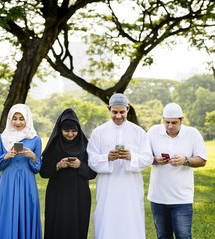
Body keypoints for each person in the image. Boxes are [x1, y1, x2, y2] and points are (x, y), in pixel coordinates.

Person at [87, 93, 153, 239]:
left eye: (122, 112)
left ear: (128, 109)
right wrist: (107, 158)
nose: (118, 116)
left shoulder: (139, 132)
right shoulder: (99, 132)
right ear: (108, 109)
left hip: (131, 188)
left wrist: (131, 157)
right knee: (107, 220)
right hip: (107, 188)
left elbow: (148, 158)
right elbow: (91, 160)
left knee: (131, 221)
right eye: (114, 112)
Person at [147, 102, 207, 239]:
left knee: (184, 236)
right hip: (158, 197)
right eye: (166, 122)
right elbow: (144, 158)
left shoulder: (193, 133)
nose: (170, 126)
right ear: (162, 119)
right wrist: (156, 160)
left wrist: (185, 160)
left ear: (182, 119)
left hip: (182, 198)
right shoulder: (153, 132)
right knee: (163, 236)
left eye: (174, 122)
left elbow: (202, 160)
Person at [40, 108, 97, 239]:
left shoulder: (85, 146)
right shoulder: (53, 146)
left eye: (74, 131)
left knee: (78, 227)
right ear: (60, 129)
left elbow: (93, 173)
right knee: (56, 226)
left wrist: (80, 165)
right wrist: (58, 166)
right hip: (57, 195)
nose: (70, 134)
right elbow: (43, 172)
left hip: (79, 195)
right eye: (66, 131)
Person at [0, 104, 42, 239]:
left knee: (26, 213)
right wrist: (5, 156)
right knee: (7, 213)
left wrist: (33, 157)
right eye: (14, 118)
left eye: (21, 118)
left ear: (27, 119)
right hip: (7, 182)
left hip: (27, 182)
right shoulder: (2, 138)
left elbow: (37, 169)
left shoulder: (35, 139)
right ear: (9, 119)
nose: (18, 122)